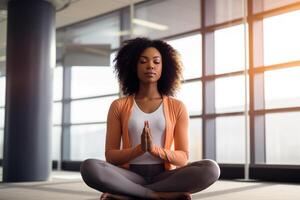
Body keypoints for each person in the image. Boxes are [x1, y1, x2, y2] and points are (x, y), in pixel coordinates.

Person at [80, 37, 220, 200]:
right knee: (89, 167)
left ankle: (128, 193)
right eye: (143, 61)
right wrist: (139, 149)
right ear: (133, 66)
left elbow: (182, 158)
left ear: (164, 67)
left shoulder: (177, 106)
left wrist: (154, 149)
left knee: (211, 168)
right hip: (128, 174)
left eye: (156, 61)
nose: (150, 66)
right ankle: (155, 195)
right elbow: (111, 156)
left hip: (165, 176)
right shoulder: (118, 106)